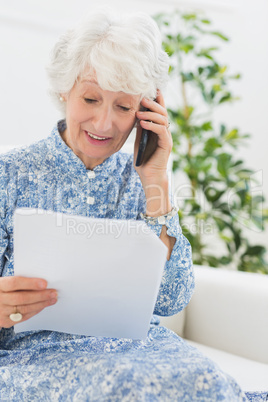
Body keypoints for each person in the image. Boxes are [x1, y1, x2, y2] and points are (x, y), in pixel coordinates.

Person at [0, 10, 246, 401]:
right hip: (38, 358)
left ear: (145, 112)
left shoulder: (143, 181)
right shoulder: (9, 173)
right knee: (124, 387)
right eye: (91, 98)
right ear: (66, 89)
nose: (103, 123)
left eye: (123, 107)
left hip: (140, 350)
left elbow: (170, 299)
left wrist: (156, 181)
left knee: (209, 383)